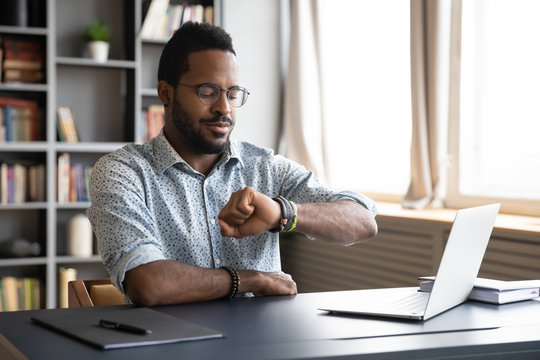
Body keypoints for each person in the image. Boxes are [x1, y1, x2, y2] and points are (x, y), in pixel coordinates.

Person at [87, 21, 377, 307]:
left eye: (232, 93)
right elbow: (149, 285)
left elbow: (364, 221)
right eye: (207, 91)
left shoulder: (264, 166)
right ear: (166, 93)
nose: (224, 108)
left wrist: (282, 211)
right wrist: (251, 280)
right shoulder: (122, 173)